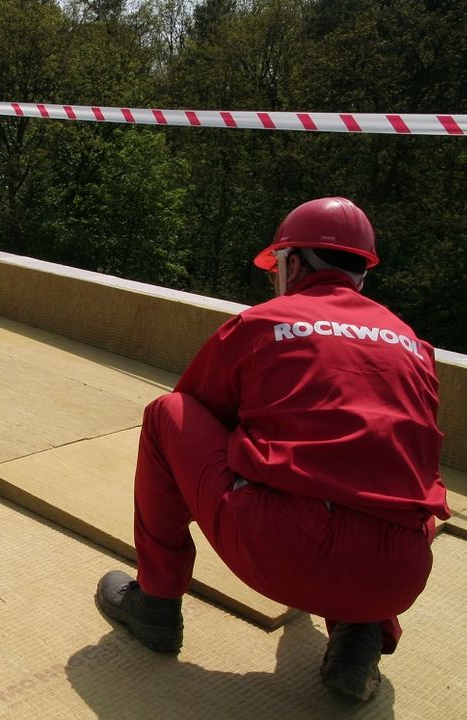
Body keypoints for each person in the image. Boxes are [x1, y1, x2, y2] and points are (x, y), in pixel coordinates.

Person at [94, 197, 451, 702]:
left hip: (284, 555)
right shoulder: (414, 344)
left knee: (164, 416)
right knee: (397, 472)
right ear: (361, 272)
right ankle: (361, 634)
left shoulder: (264, 323)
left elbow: (196, 411)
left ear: (294, 264)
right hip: (399, 574)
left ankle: (155, 604)